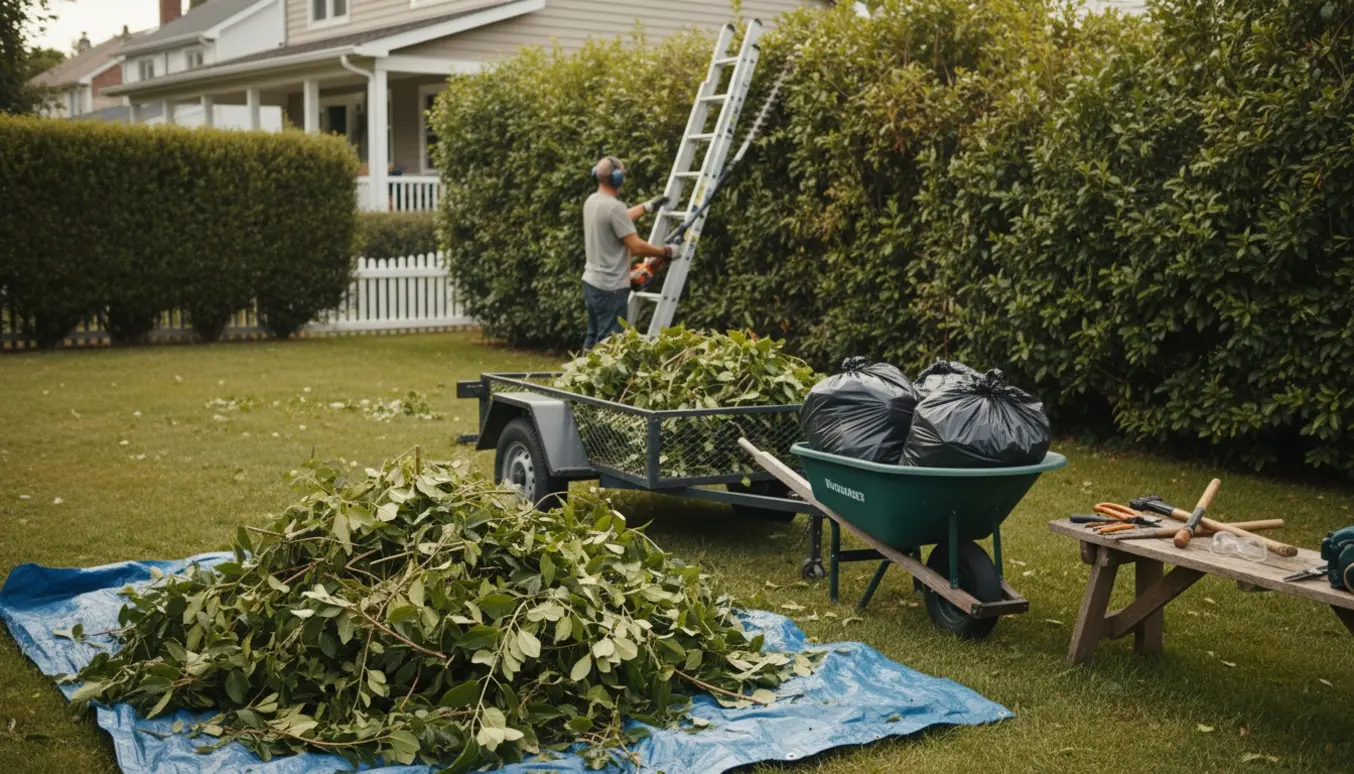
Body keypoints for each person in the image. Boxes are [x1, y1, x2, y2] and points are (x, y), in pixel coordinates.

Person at [581, 155, 672, 350]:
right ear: (616, 179)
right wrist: (665, 251)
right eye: (622, 174)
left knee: (593, 337)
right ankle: (600, 381)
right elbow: (636, 247)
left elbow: (615, 218)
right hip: (611, 289)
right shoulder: (615, 207)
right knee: (609, 346)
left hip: (591, 283)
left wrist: (646, 207)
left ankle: (577, 379)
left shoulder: (592, 201)